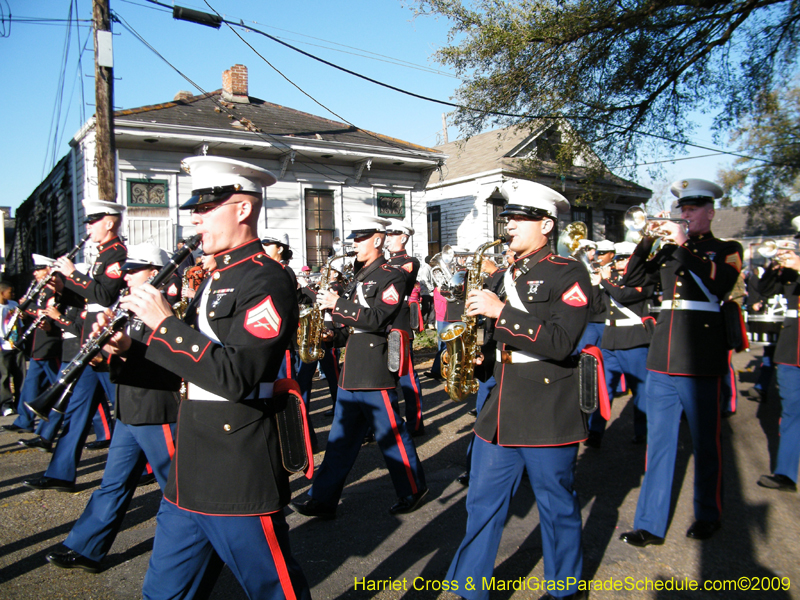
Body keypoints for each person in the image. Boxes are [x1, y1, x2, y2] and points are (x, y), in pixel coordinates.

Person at [100, 156, 309, 600]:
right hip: (191, 462)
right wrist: (129, 348)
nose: (196, 216)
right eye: (195, 208)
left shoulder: (267, 279)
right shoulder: (215, 276)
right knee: (163, 592)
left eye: (207, 207)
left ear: (242, 209)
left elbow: (236, 375)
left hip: (237, 463)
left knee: (274, 590)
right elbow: (192, 365)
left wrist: (164, 325)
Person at [446, 180, 590, 600]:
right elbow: (494, 334)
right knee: (482, 504)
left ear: (546, 224)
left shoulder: (569, 272)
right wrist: (478, 352)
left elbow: (562, 343)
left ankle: (565, 588)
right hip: (501, 405)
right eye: (507, 219)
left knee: (556, 505)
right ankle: (470, 588)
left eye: (519, 219)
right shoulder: (503, 275)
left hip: (548, 405)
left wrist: (501, 311)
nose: (508, 226)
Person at [619, 178, 743, 547]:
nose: (685, 214)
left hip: (700, 356)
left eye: (692, 209)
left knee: (706, 441)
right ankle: (650, 523)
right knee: (659, 443)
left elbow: (721, 285)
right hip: (663, 355)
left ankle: (708, 514)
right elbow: (632, 281)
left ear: (710, 212)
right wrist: (645, 242)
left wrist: (684, 245)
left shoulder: (726, 248)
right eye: (682, 209)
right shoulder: (668, 250)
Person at [45, 243, 181, 573]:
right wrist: (104, 355)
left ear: (156, 272)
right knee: (113, 483)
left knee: (178, 489)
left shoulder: (169, 309)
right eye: (128, 269)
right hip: (129, 406)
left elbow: (172, 362)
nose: (128, 275)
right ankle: (86, 547)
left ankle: (194, 553)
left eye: (136, 269)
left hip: (156, 408)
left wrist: (124, 350)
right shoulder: (128, 306)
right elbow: (122, 357)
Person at [292, 215, 428, 519]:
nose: (353, 245)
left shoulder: (390, 274)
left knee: (390, 433)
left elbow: (379, 318)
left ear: (377, 240)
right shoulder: (359, 275)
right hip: (352, 367)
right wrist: (331, 333)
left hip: (374, 366)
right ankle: (322, 499)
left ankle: (413, 488)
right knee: (340, 440)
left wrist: (337, 304)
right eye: (353, 239)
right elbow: (351, 325)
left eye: (359, 238)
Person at [23, 200, 125, 492]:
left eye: (93, 221)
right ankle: (60, 473)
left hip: (107, 347)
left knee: (129, 414)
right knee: (76, 412)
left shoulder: (117, 254)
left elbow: (104, 297)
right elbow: (88, 301)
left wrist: (72, 274)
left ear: (109, 222)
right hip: (90, 344)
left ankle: (154, 469)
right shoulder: (100, 256)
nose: (88, 227)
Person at [585, 242, 652, 448]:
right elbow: (596, 307)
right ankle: (595, 431)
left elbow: (625, 295)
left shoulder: (644, 278)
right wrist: (595, 285)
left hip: (633, 340)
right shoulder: (611, 279)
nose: (621, 263)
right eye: (619, 258)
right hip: (611, 339)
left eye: (625, 258)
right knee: (604, 389)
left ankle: (643, 431)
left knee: (640, 389)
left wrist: (604, 282)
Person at [754, 223, 800, 493]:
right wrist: (774, 265)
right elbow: (764, 289)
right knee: (792, 411)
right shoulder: (790, 270)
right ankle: (785, 473)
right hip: (791, 347)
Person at [385, 219, 425, 436]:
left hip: (398, 325)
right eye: (386, 235)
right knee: (385, 375)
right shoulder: (383, 261)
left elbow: (396, 280)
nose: (387, 239)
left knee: (405, 375)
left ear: (403, 237)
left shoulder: (409, 261)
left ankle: (415, 423)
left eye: (391, 235)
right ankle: (391, 421)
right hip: (380, 323)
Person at [0, 281, 24, 418]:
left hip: (17, 344)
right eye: (10, 292)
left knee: (20, 375)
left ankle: (19, 402)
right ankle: (5, 404)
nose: (13, 294)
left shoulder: (14, 305)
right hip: (3, 346)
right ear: (2, 292)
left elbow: (20, 322)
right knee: (4, 376)